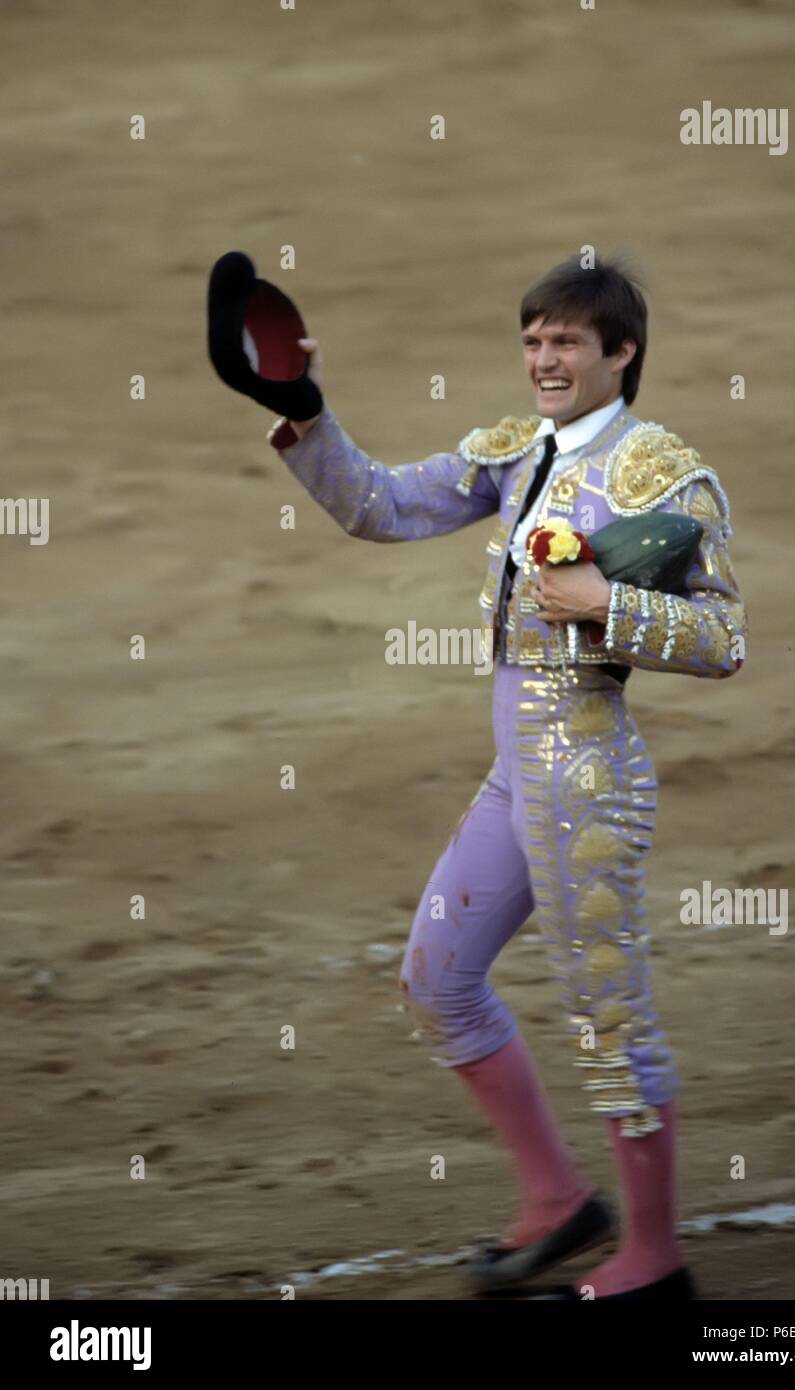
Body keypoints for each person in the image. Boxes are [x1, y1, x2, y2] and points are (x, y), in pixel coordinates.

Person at [266, 255, 747, 1300]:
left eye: (565, 342)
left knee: (607, 1016)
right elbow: (380, 507)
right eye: (533, 340)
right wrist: (302, 405)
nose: (543, 358)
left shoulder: (662, 472)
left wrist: (601, 606)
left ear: (620, 353)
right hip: (516, 776)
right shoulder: (512, 451)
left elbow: (722, 637)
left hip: (588, 779)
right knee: (437, 978)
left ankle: (655, 1257)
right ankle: (556, 1201)